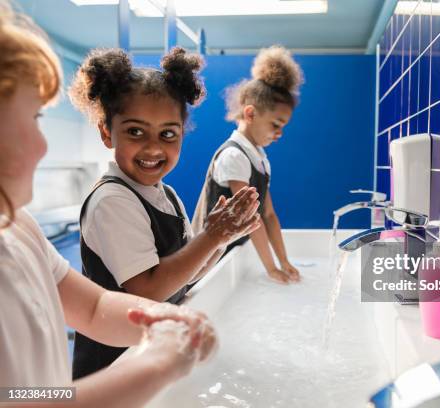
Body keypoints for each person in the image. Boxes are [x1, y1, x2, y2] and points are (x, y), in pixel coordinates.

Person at [0, 2, 217, 406]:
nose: (44, 144)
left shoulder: (20, 229)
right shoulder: (110, 200)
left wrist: (163, 322)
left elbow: (96, 307)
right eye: (32, 119)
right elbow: (25, 400)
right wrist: (158, 363)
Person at [68, 47, 261, 379]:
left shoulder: (165, 194)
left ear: (182, 134)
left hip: (151, 351)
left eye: (168, 134)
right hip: (113, 365)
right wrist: (212, 235)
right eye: (135, 131)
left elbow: (184, 276)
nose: (154, 147)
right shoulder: (112, 200)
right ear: (105, 132)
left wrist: (221, 240)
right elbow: (149, 290)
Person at [193, 46, 303, 284]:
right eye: (276, 124)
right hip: (207, 261)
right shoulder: (235, 156)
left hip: (230, 253)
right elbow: (251, 219)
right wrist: (271, 268)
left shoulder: (258, 157)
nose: (280, 133)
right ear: (250, 114)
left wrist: (284, 262)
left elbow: (269, 215)